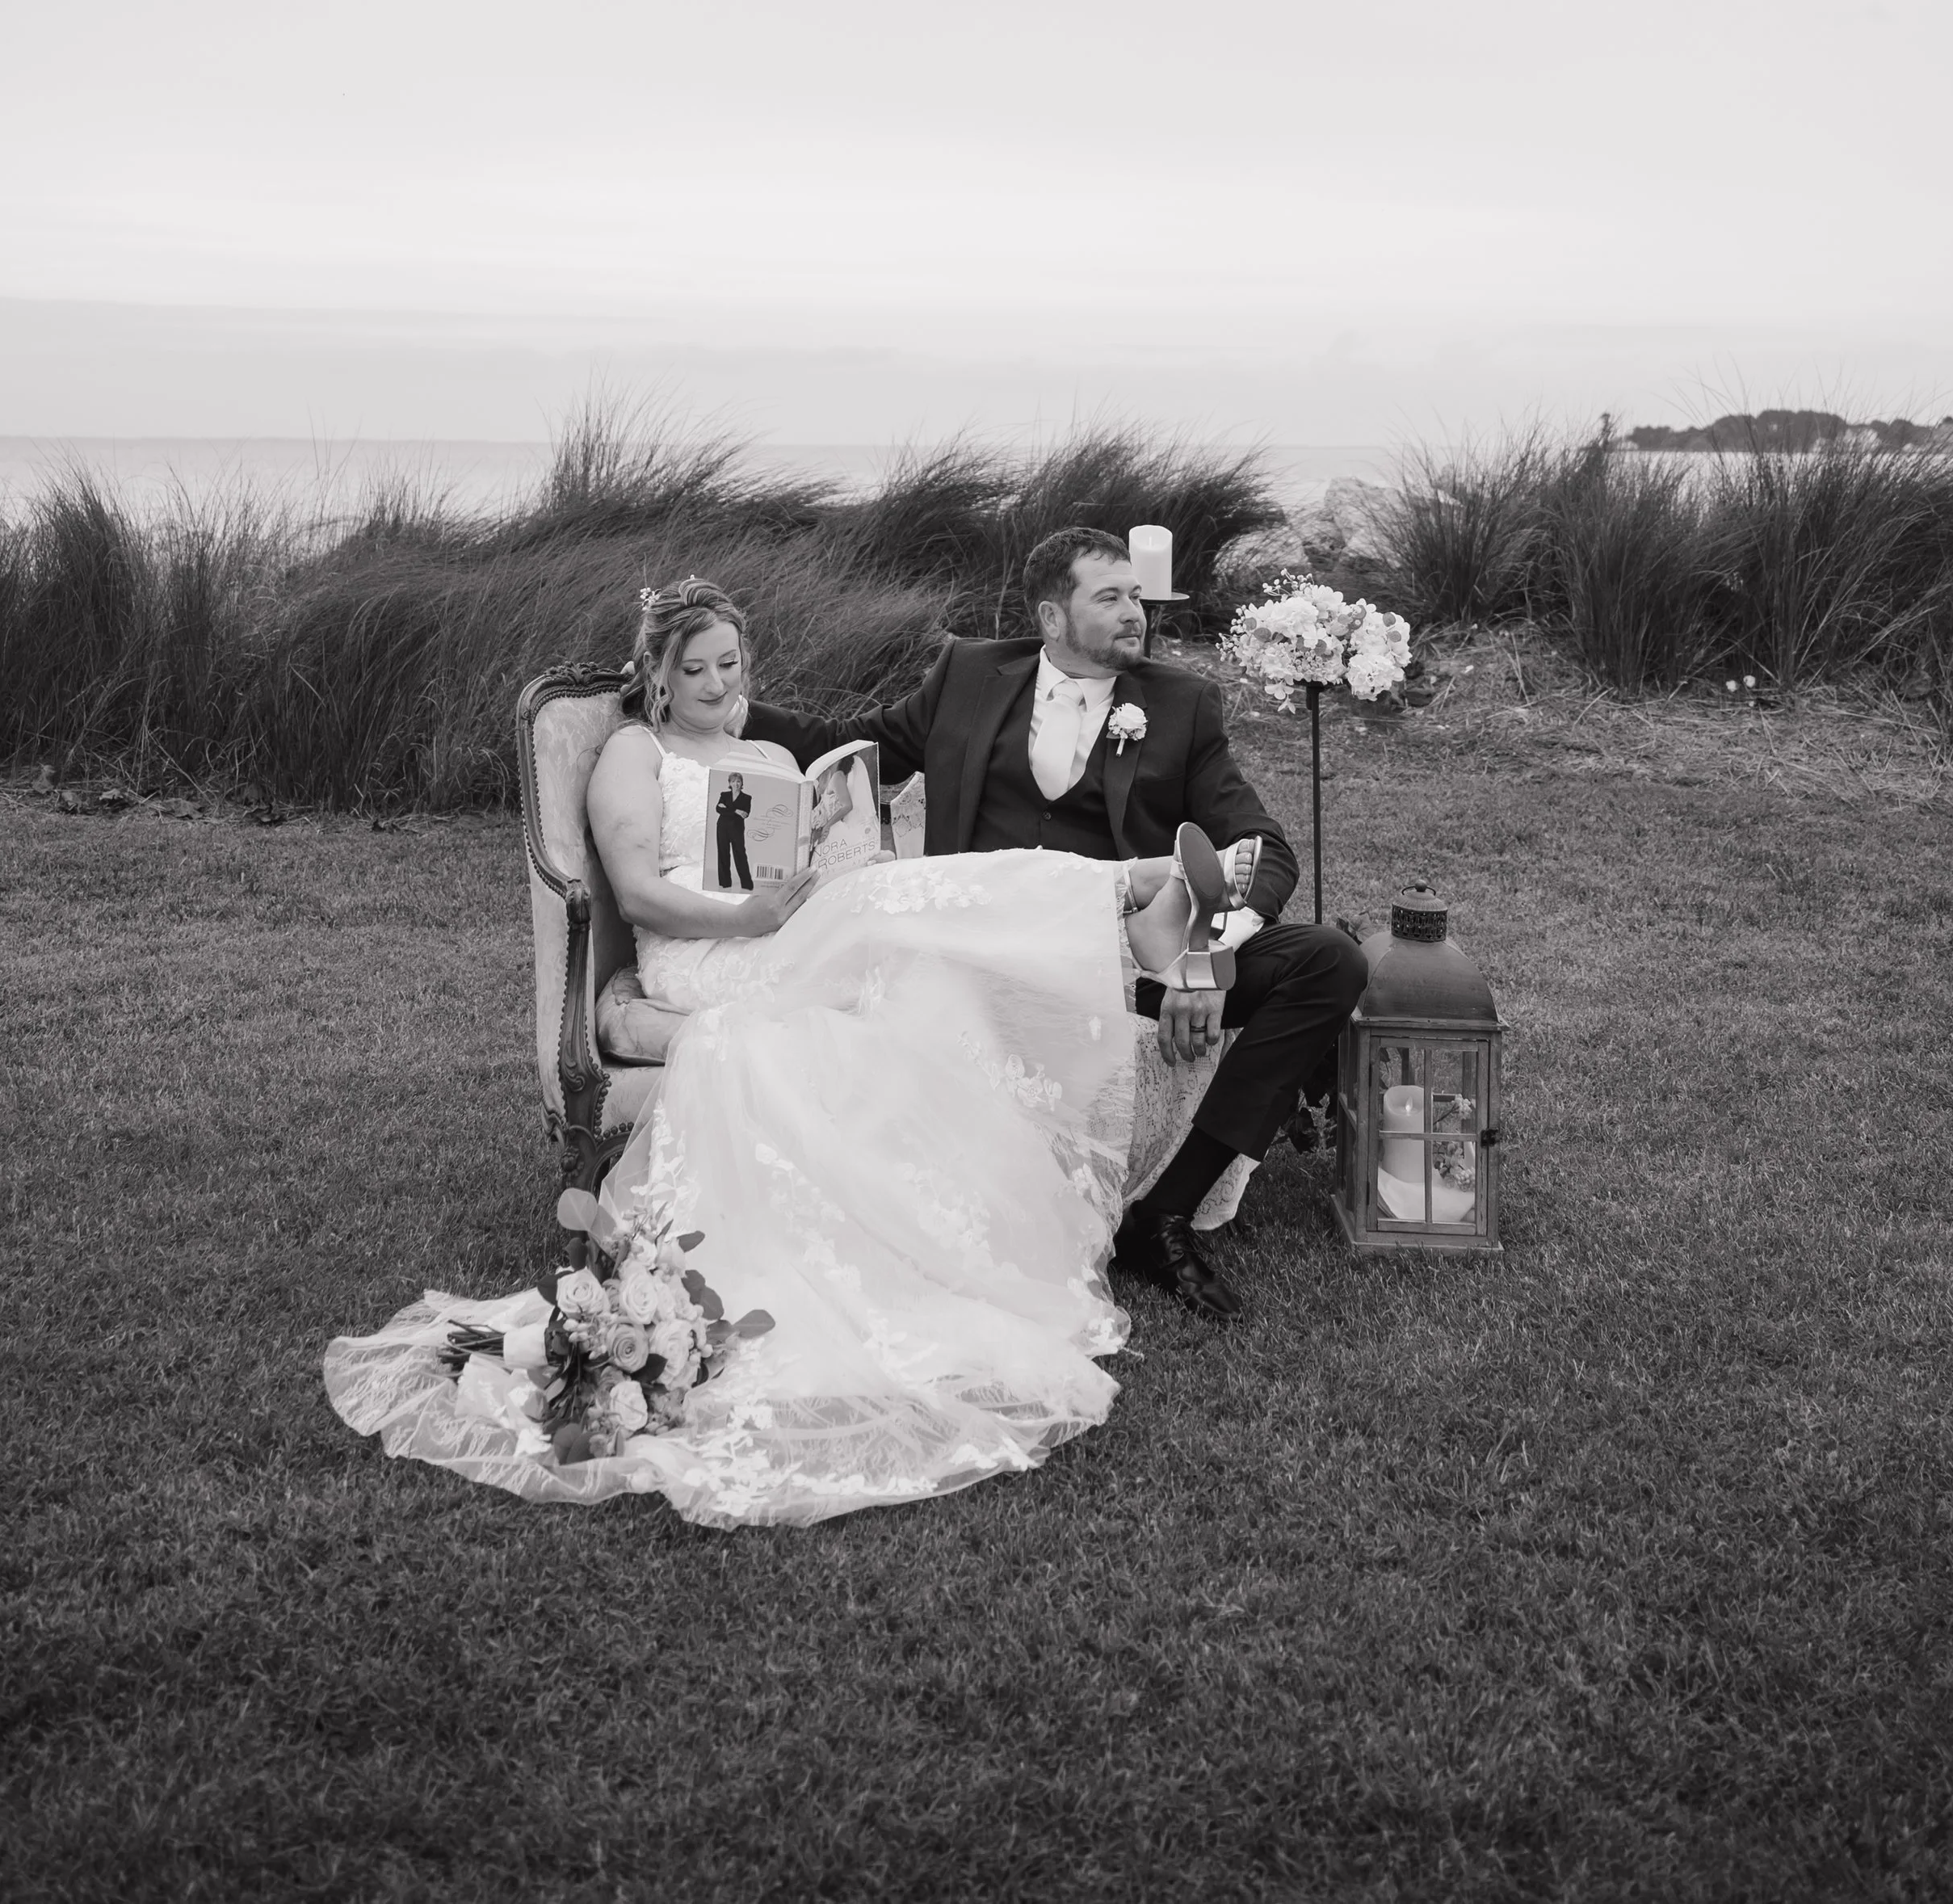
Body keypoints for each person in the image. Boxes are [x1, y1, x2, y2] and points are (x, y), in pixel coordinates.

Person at [324, 577, 1228, 1528]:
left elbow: (809, 870)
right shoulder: (637, 753)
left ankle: (1118, 919)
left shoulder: (763, 753)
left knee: (915, 941)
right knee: (903, 919)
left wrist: (837, 855)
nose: (719, 683)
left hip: (783, 938)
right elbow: (635, 896)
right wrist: (747, 913)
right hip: (707, 953)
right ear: (658, 678)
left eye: (732, 664)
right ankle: (1126, 897)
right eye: (697, 669)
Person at [748, 527, 1367, 1322]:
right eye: (1108, 598)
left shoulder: (1179, 705)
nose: (1133, 613)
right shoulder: (967, 677)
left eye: (1136, 596)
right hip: (992, 956)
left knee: (1328, 961)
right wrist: (727, 705)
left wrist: (1204, 961)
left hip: (1133, 955)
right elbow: (853, 748)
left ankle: (1163, 1215)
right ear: (1050, 616)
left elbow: (1258, 847)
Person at [712, 771, 754, 891]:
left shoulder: (747, 798)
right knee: (723, 854)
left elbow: (745, 814)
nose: (736, 784)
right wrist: (736, 811)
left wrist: (727, 809)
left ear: (742, 783)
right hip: (722, 828)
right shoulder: (724, 795)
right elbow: (718, 809)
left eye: (738, 781)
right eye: (733, 781)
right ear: (729, 783)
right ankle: (725, 883)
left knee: (740, 854)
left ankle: (747, 884)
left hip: (737, 829)